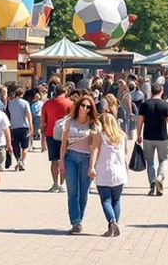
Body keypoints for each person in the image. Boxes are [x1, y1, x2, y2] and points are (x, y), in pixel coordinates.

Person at [58, 97, 97, 233]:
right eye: (82, 106)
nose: (84, 109)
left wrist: (92, 166)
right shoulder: (70, 122)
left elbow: (95, 148)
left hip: (86, 159)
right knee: (72, 191)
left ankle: (80, 217)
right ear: (78, 106)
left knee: (84, 192)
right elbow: (64, 144)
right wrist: (61, 162)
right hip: (71, 158)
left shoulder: (93, 124)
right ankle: (76, 221)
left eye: (88, 107)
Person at [90, 101, 128, 238]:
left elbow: (94, 151)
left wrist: (91, 167)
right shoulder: (122, 136)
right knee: (116, 201)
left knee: (105, 200)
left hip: (104, 170)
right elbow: (126, 153)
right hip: (120, 171)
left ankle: (112, 222)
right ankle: (114, 224)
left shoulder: (100, 135)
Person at [134, 85, 168, 197]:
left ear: (151, 92)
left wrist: (138, 134)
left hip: (148, 137)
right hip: (162, 137)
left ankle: (152, 183)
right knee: (164, 159)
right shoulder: (165, 104)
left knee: (150, 162)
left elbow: (140, 120)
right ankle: (160, 177)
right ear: (162, 91)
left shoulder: (145, 104)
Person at [38, 88, 71, 194]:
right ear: (65, 92)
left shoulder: (47, 104)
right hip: (66, 134)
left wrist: (42, 133)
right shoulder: (70, 103)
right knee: (64, 160)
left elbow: (43, 120)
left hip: (51, 133)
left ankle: (55, 183)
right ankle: (63, 184)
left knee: (54, 160)